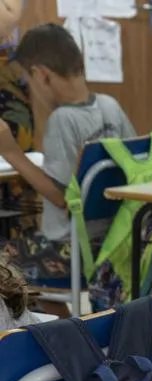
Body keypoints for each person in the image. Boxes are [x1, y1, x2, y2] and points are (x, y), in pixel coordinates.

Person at [0, 24, 135, 307]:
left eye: (28, 79)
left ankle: (56, 340)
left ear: (41, 74)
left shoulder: (62, 120)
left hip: (69, 252)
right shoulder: (110, 106)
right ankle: (61, 338)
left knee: (5, 265)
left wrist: (12, 153)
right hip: (110, 243)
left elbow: (61, 197)